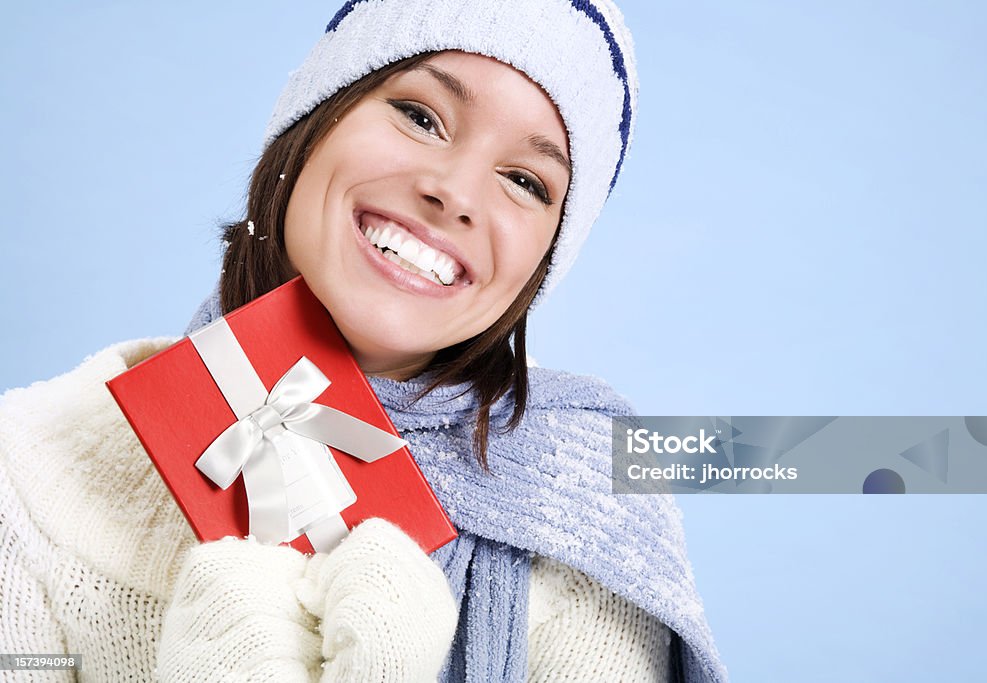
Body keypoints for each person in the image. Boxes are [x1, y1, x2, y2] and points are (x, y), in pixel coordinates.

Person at [0, 1, 728, 681]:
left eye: (525, 181)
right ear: (313, 120)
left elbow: (821, 459)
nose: (457, 192)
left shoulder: (592, 507)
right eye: (420, 115)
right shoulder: (30, 474)